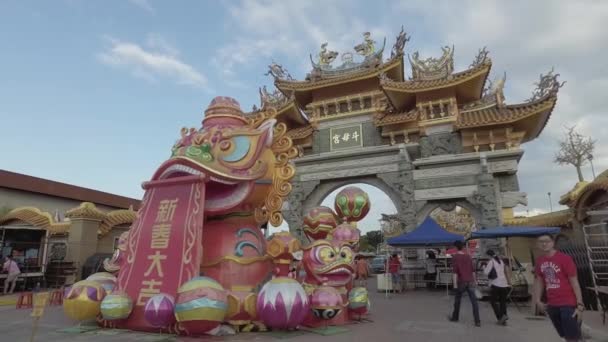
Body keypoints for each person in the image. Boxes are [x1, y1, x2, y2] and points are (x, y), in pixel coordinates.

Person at [534, 234, 584, 342]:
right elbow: (539, 281)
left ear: (553, 242)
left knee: (572, 337)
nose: (544, 244)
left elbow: (574, 282)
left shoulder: (565, 259)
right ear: (537, 244)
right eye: (541, 241)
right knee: (563, 336)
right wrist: (537, 300)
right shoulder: (539, 261)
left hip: (568, 303)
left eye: (547, 241)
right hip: (552, 304)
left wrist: (579, 304)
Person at [449, 240, 481, 327]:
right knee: (474, 302)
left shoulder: (455, 257)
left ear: (455, 247)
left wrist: (455, 285)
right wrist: (475, 281)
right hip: (470, 281)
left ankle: (455, 317)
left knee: (457, 301)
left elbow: (455, 272)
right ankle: (477, 321)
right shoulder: (468, 256)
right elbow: (473, 271)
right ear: (463, 247)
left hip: (461, 282)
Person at [484, 249, 511, 325]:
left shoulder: (491, 262)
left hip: (496, 284)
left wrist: (484, 267)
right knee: (503, 302)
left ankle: (500, 317)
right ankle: (504, 318)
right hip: (504, 284)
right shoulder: (501, 261)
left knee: (493, 302)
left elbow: (486, 272)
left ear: (488, 255)